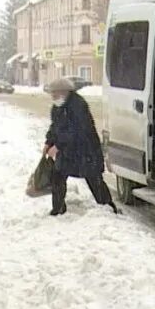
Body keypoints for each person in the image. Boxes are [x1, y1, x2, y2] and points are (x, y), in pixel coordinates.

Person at [43, 77, 118, 216]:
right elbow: (55, 127)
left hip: (86, 151)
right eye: (51, 93)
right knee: (58, 177)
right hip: (68, 152)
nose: (53, 96)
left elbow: (78, 130)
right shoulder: (57, 107)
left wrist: (58, 146)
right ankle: (58, 208)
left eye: (55, 93)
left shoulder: (78, 105)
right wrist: (49, 142)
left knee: (94, 180)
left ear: (64, 92)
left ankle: (109, 208)